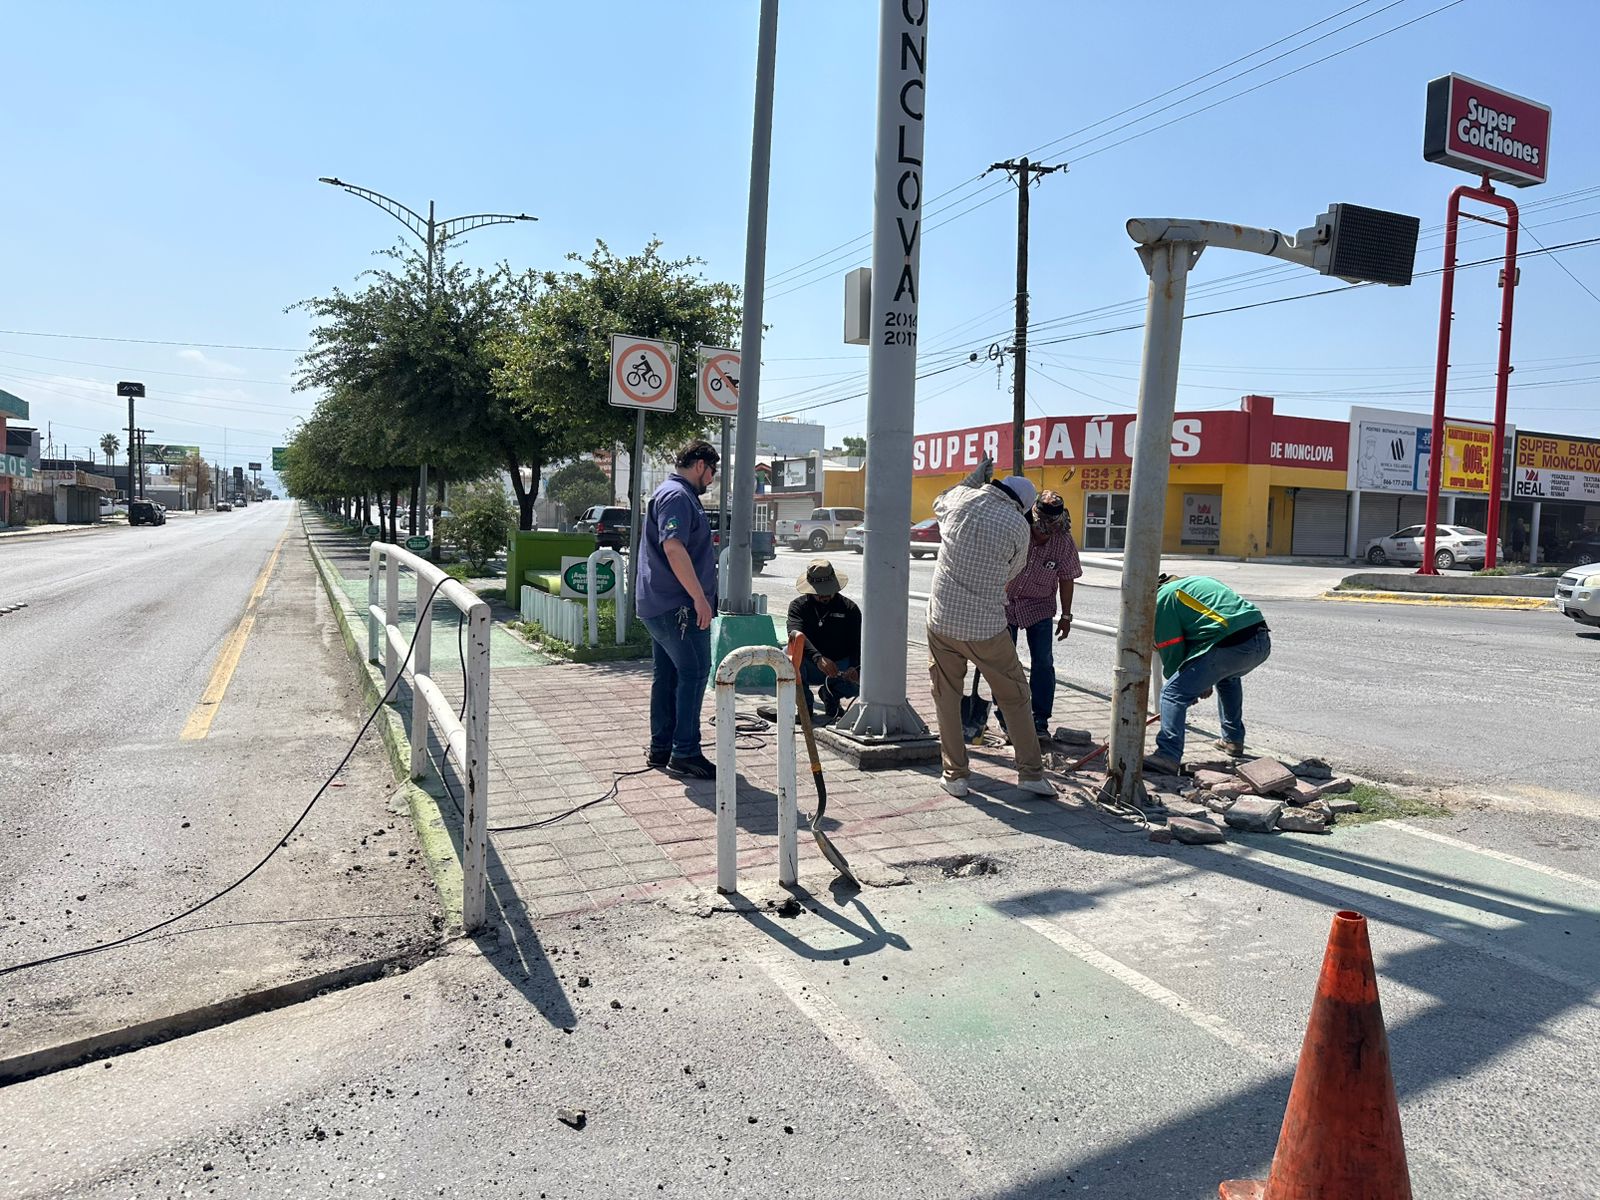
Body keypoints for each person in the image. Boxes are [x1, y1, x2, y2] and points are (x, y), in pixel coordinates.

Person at [925, 461, 1054, 799]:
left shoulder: (961, 499)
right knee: (1016, 696)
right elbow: (1014, 571)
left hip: (941, 621)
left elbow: (940, 498)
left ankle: (955, 776)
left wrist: (974, 476)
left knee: (947, 697)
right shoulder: (1017, 525)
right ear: (1022, 506)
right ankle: (1030, 774)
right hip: (986, 627)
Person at [635, 440, 720, 780]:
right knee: (696, 671)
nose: (712, 480)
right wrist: (699, 598)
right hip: (678, 606)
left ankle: (662, 747)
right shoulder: (677, 496)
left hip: (662, 603)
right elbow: (673, 547)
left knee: (669, 675)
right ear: (700, 464)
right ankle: (685, 751)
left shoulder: (672, 494)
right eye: (712, 472)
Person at [1144, 573, 1272, 774]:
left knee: (1172, 693)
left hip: (1231, 645)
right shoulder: (1197, 583)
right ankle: (1233, 740)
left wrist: (1188, 684)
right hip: (1260, 641)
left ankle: (1168, 755)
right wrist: (1201, 682)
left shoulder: (1162, 598)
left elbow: (1172, 649)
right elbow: (1207, 632)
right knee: (1228, 678)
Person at [999, 489, 1082, 739]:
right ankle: (1007, 718)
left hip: (1040, 605)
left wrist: (1066, 616)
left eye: (1048, 529)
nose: (1042, 534)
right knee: (1003, 663)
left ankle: (1039, 720)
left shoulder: (1063, 541)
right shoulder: (1016, 531)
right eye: (1039, 528)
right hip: (1005, 603)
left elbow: (1067, 578)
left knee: (1043, 663)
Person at [785, 559, 862, 724]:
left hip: (841, 666)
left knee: (869, 680)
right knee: (788, 655)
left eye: (827, 590)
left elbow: (858, 643)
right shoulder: (798, 607)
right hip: (810, 664)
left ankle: (831, 694)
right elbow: (795, 634)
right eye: (819, 592)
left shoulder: (850, 609)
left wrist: (854, 667)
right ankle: (805, 706)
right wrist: (818, 658)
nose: (824, 595)